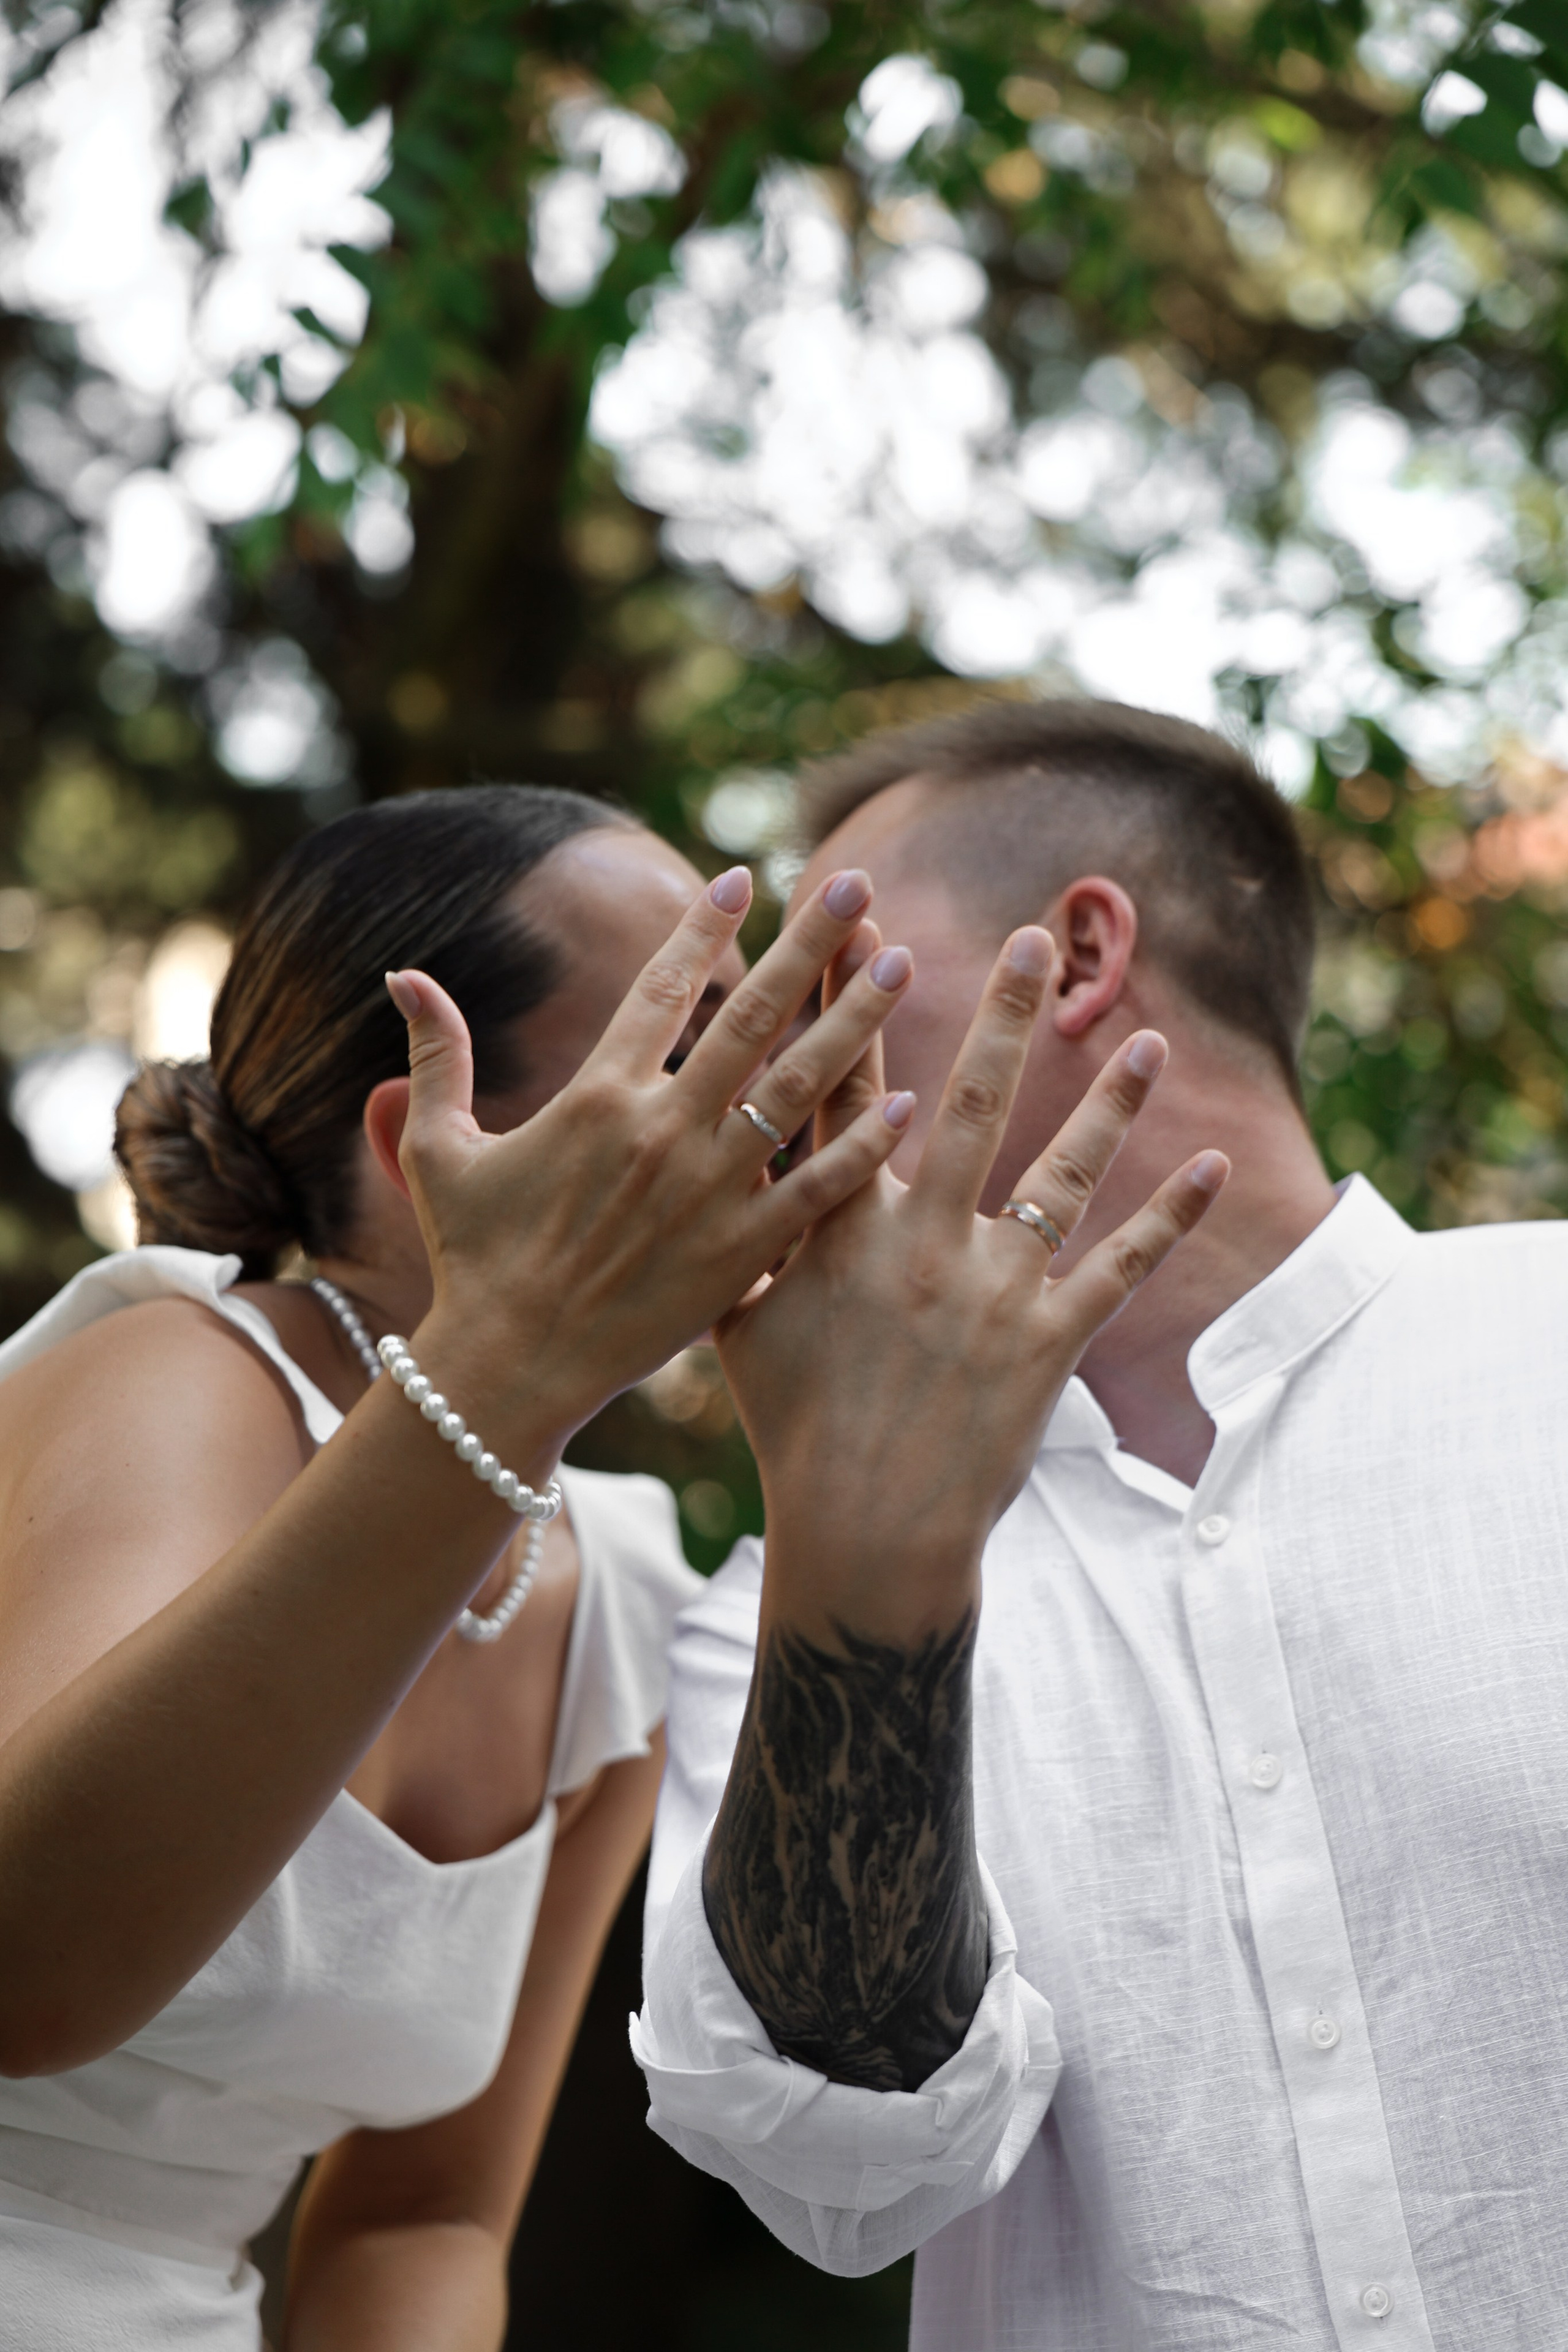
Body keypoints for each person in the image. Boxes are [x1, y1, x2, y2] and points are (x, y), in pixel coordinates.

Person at [636, 696, 1568, 2351]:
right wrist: (871, 1553)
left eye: (831, 977)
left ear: (1075, 958)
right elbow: (849, 2171)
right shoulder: (776, 1598)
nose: (775, 1072)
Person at [0, 781, 927, 2352]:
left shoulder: (621, 1591)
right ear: (422, 1135)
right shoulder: (184, 1373)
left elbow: (425, 2212)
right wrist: (505, 1371)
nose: (774, 1086)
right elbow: (32, 1976)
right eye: (692, 1035)